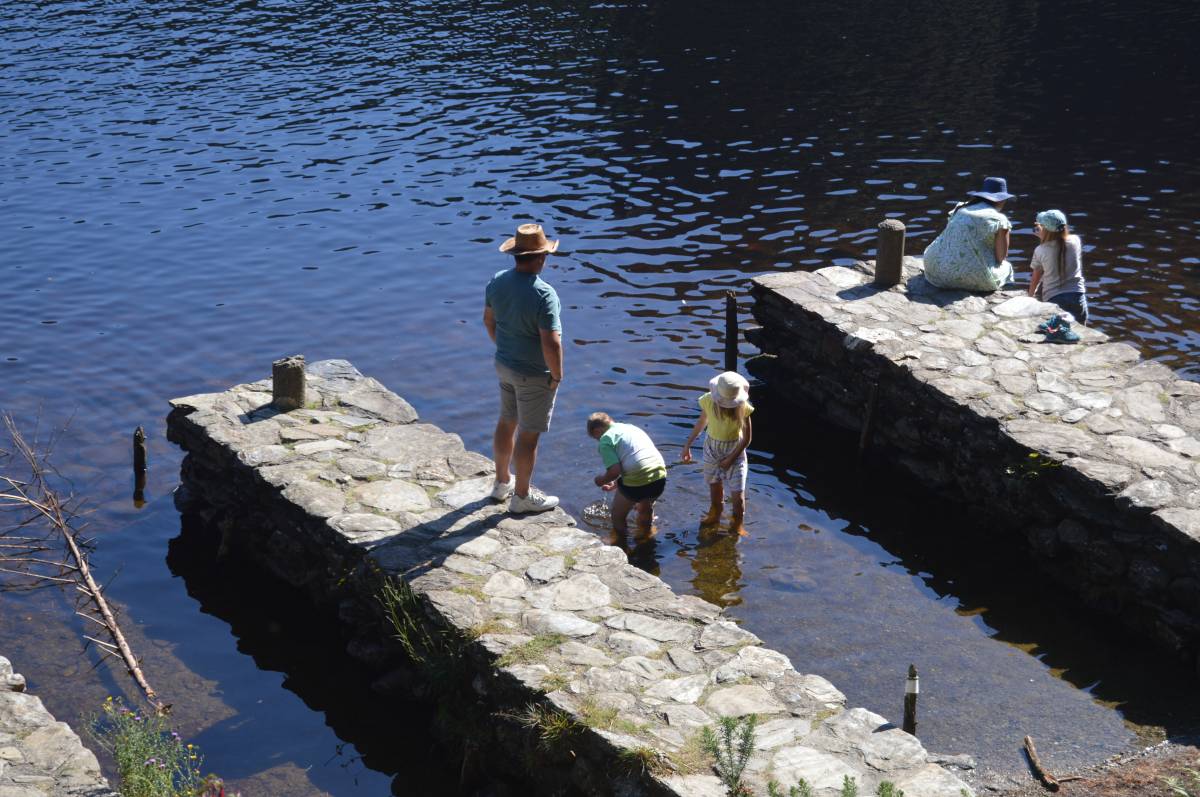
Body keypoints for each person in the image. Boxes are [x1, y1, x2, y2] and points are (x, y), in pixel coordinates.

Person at [483, 223, 564, 514]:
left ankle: (501, 483)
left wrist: (503, 348)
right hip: (533, 374)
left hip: (503, 364)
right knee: (529, 435)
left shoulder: (497, 281)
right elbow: (551, 343)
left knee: (507, 421)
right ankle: (521, 497)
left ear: (517, 254)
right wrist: (557, 375)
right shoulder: (544, 294)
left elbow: (488, 321)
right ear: (541, 257)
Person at [681, 371, 753, 536]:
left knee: (738, 497)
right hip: (712, 450)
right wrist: (687, 445)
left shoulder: (744, 408)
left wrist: (730, 459)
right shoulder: (708, 400)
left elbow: (747, 439)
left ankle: (737, 524)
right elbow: (701, 424)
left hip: (735, 452)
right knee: (715, 489)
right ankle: (715, 515)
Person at [922, 176, 1016, 292]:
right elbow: (1001, 257)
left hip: (934, 269)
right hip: (967, 278)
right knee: (1008, 268)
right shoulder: (1000, 220)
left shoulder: (961, 208)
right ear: (1001, 200)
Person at [586, 412, 667, 538]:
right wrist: (617, 484)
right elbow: (635, 459)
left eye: (596, 438)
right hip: (659, 474)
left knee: (617, 516)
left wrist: (601, 480)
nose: (598, 441)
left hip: (637, 480)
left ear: (597, 431)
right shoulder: (631, 428)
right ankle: (647, 535)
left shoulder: (605, 439)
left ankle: (622, 544)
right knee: (645, 507)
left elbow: (614, 471)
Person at [1028, 209, 1088, 325]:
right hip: (1078, 296)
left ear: (1044, 230)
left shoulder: (1040, 250)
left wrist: (1031, 296)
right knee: (1081, 330)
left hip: (1054, 298)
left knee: (1057, 331)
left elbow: (1036, 277)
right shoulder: (1076, 241)